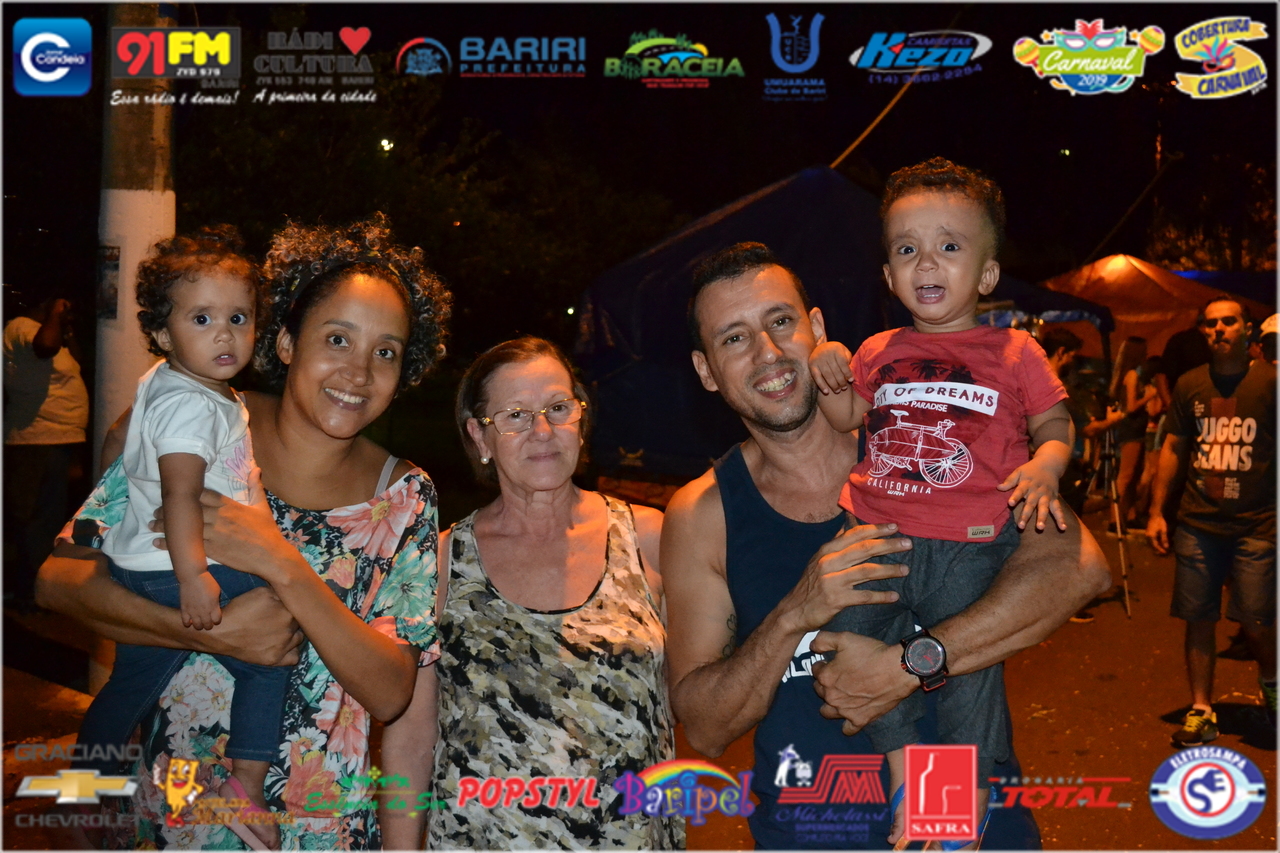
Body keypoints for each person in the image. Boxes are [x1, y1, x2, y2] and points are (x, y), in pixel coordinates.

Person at [663, 241, 1111, 849]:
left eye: (781, 321)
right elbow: (706, 727)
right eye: (734, 338)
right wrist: (796, 612)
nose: (768, 352)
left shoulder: (919, 434)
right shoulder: (705, 512)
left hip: (961, 817)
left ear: (817, 328)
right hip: (817, 832)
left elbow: (1080, 568)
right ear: (706, 370)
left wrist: (907, 665)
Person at [36, 213, 451, 849]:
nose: (359, 372)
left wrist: (281, 563)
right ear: (283, 342)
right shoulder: (201, 422)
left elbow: (392, 692)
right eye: (337, 339)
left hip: (315, 828)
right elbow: (59, 580)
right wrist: (209, 630)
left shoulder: (404, 497)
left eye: (386, 352)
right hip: (170, 812)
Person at [805, 158, 1073, 842]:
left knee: (967, 668)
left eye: (949, 245)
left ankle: (955, 805)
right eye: (907, 249)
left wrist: (1047, 464)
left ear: (986, 273)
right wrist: (830, 372)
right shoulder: (877, 349)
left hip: (971, 543)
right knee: (845, 645)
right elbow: (847, 419)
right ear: (890, 275)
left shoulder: (1016, 351)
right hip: (876, 536)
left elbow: (1055, 423)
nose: (926, 262)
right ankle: (908, 776)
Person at [380, 337, 683, 850]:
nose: (542, 431)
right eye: (516, 415)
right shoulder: (442, 562)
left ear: (580, 420)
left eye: (558, 408)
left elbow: (693, 700)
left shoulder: (650, 539)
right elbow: (411, 741)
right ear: (479, 435)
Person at [72, 227, 287, 850]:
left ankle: (84, 790)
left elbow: (125, 448)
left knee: (130, 687)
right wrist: (195, 578)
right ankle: (246, 786)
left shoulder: (167, 383)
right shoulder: (195, 406)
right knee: (272, 649)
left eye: (238, 318)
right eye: (202, 318)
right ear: (164, 334)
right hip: (178, 568)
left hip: (142, 564)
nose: (225, 334)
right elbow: (181, 493)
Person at [1146, 296, 1276, 746]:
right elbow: (1174, 447)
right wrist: (1156, 512)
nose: (1219, 329)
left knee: (1256, 621)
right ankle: (1201, 709)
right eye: (1211, 323)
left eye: (1229, 322)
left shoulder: (1271, 383)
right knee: (1198, 617)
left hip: (1258, 525)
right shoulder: (1190, 384)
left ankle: (1274, 686)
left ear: (1247, 329)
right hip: (1199, 523)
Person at [3, 292, 90, 608]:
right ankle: (28, 592)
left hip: (59, 439)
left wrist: (67, 328)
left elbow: (77, 363)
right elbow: (44, 348)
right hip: (36, 439)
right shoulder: (21, 326)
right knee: (34, 518)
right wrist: (54, 316)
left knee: (50, 518)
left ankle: (36, 588)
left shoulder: (53, 334)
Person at [1038, 327, 1124, 624]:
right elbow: (1088, 430)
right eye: (1072, 356)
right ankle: (1066, 602)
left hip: (1041, 468)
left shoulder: (1032, 383)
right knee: (1068, 539)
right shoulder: (1057, 389)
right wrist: (1114, 420)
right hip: (1062, 471)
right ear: (1062, 353)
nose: (1073, 363)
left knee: (1047, 537)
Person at [1108, 337, 1156, 535]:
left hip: (1136, 428)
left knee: (1134, 475)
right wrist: (1149, 396)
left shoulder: (1130, 374)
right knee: (1126, 475)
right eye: (1144, 351)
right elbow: (1131, 406)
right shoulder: (1132, 375)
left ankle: (1130, 515)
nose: (1146, 355)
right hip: (1131, 429)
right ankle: (1115, 519)